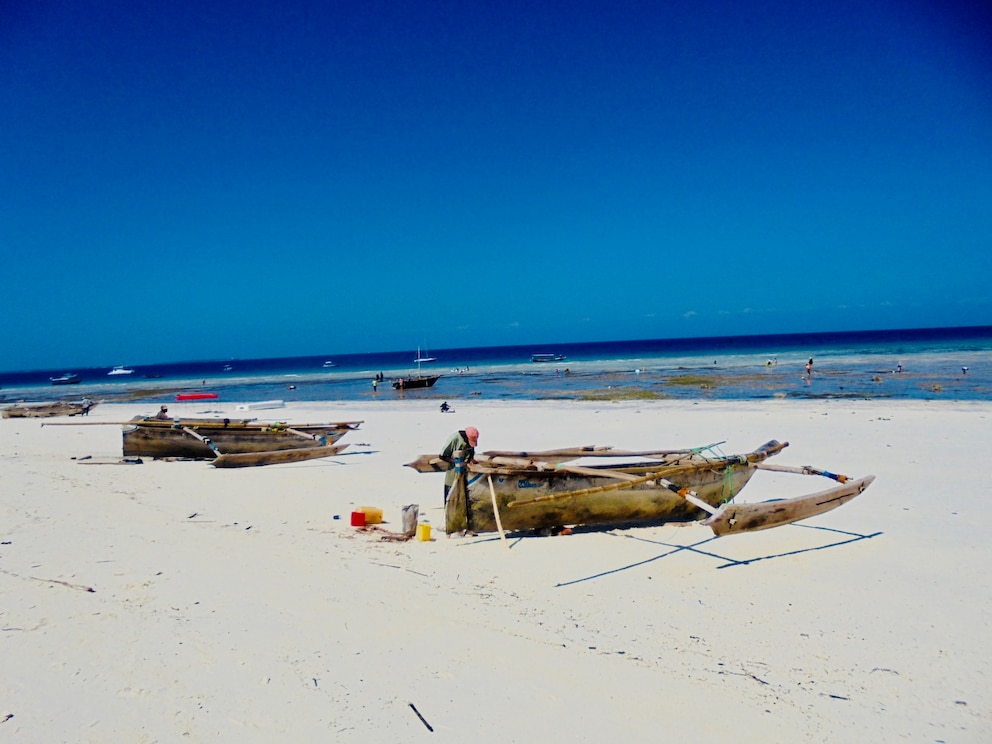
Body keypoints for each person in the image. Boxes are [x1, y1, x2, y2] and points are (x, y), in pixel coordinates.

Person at [440, 426, 479, 505]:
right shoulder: (455, 438)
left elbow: (471, 455)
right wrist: (457, 462)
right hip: (453, 474)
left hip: (466, 477)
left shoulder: (470, 444)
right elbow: (442, 456)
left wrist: (471, 461)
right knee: (451, 501)